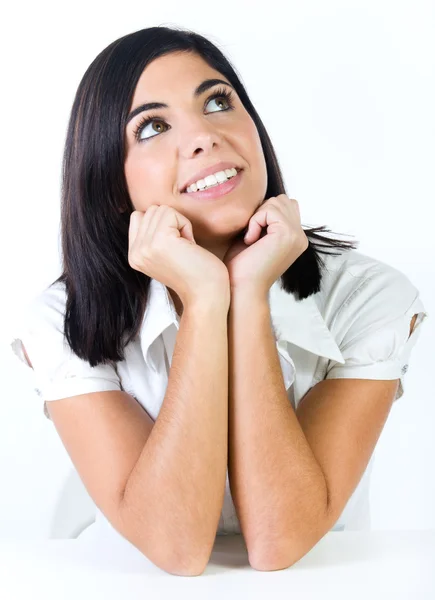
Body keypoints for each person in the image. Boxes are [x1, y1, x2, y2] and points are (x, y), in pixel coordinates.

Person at [10, 26, 428, 576]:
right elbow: (177, 548)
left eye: (216, 101)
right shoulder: (61, 320)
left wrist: (249, 295)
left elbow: (281, 541)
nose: (204, 136)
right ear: (111, 184)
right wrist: (207, 300)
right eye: (153, 126)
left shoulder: (370, 298)